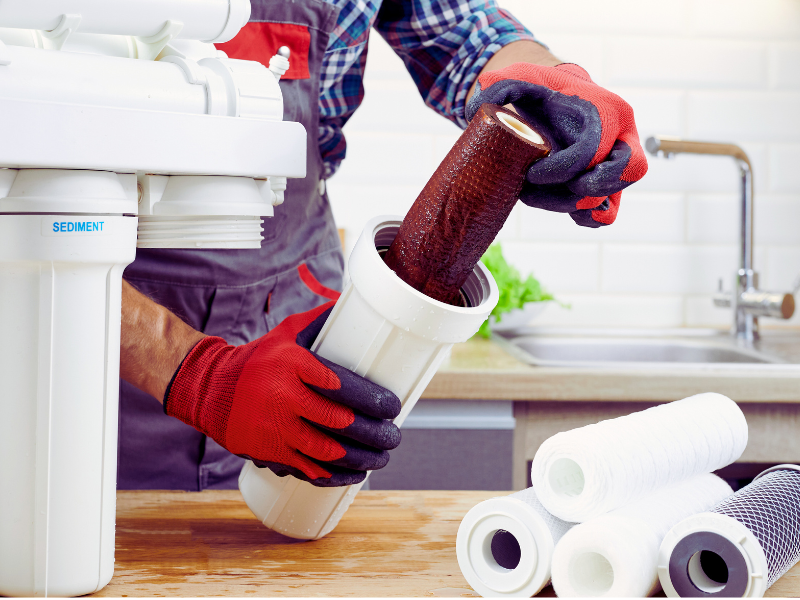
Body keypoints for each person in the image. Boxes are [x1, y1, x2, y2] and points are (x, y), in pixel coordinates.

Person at [117, 0, 647, 491]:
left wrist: (543, 82)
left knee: (294, 547)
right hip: (92, 321)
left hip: (296, 319)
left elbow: (462, 32)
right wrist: (201, 379)